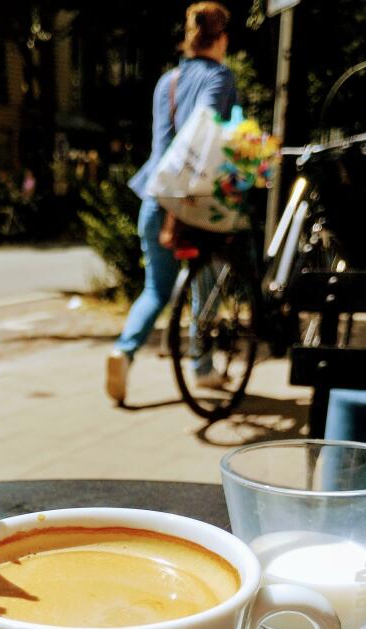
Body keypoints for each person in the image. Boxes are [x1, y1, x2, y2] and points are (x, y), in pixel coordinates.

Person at [106, 2, 237, 404]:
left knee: (156, 290)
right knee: (206, 284)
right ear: (222, 38)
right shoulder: (220, 77)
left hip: (154, 195)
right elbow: (211, 134)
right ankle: (200, 365)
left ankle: (122, 352)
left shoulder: (169, 81)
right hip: (194, 199)